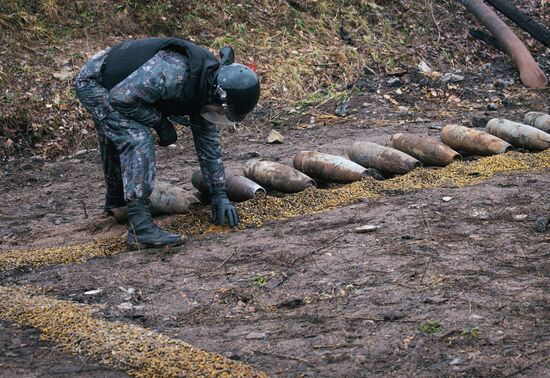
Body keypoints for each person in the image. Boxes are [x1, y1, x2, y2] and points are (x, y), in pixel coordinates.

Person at [74, 37, 260, 250]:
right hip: (96, 82)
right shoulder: (173, 74)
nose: (217, 115)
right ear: (217, 96)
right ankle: (141, 227)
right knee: (136, 136)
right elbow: (120, 99)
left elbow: (208, 140)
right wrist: (160, 122)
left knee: (120, 133)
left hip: (123, 86)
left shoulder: (207, 85)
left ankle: (117, 204)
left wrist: (219, 193)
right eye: (220, 111)